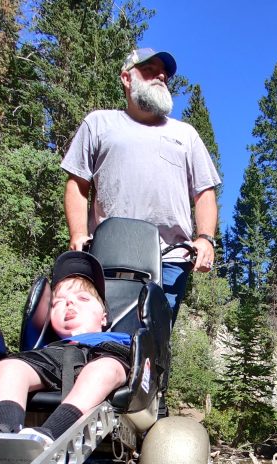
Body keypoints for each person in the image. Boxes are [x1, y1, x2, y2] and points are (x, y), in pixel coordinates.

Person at [61, 47, 221, 324]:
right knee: (100, 331)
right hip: (108, 252)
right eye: (149, 70)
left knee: (153, 343)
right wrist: (77, 234)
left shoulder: (185, 134)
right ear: (126, 78)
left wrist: (205, 239)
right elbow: (77, 183)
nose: (160, 76)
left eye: (164, 74)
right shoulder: (99, 123)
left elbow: (204, 193)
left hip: (170, 257)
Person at [0, 251, 131, 444]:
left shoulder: (120, 338)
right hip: (54, 358)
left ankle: (50, 432)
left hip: (101, 355)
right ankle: (3, 429)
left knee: (105, 370)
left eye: (83, 299)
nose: (69, 302)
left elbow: (137, 362)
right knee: (8, 367)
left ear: (104, 317)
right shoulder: (46, 347)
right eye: (58, 302)